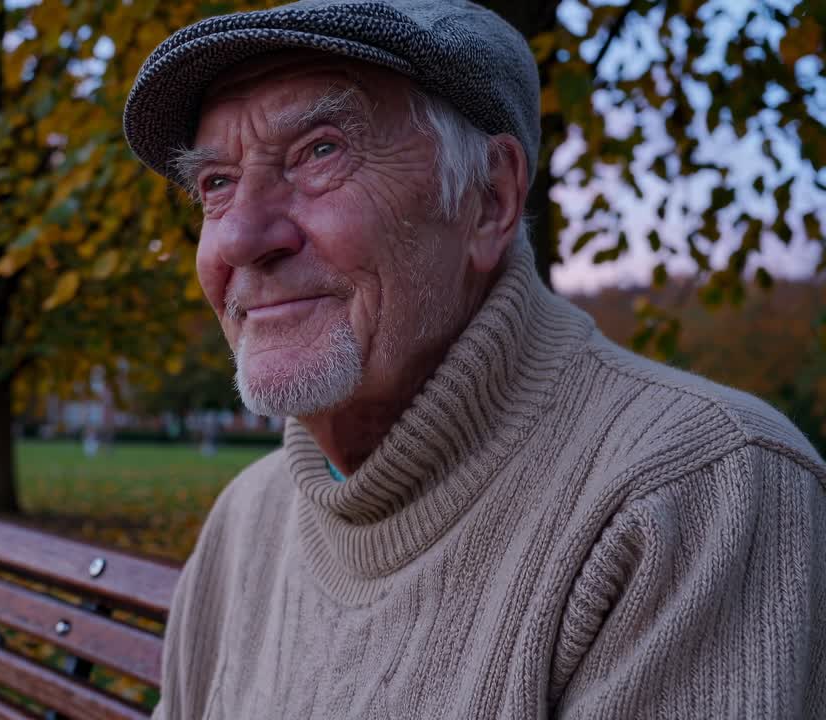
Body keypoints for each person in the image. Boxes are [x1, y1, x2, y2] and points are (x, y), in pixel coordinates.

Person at [121, 1, 826, 717]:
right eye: (216, 184)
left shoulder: (699, 492)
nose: (241, 238)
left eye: (319, 152)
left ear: (489, 201)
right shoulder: (246, 519)